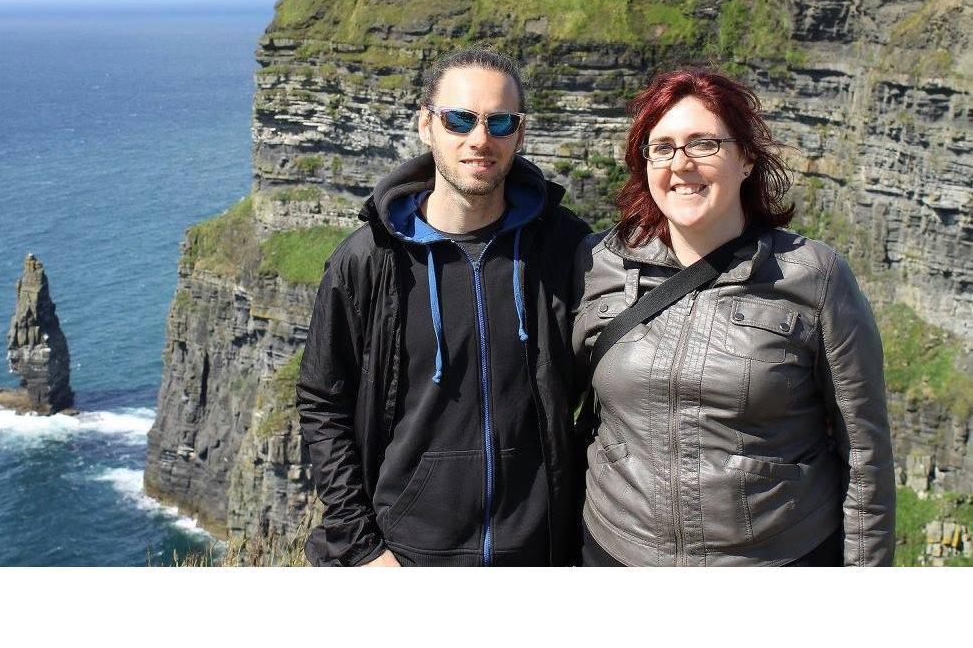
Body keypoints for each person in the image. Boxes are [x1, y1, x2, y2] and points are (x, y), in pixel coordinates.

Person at [572, 68, 895, 566]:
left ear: (746, 159)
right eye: (663, 147)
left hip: (775, 558)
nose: (681, 165)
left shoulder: (814, 276)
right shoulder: (598, 264)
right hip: (618, 552)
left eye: (704, 144)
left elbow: (864, 455)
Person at [297, 47, 591, 566]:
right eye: (460, 119)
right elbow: (324, 402)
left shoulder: (564, 249)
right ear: (425, 125)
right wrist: (363, 548)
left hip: (538, 553)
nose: (480, 139)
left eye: (500, 121)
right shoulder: (369, 261)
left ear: (520, 134)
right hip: (406, 554)